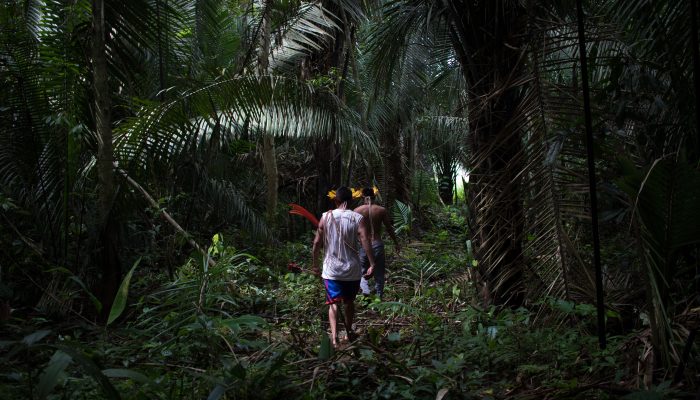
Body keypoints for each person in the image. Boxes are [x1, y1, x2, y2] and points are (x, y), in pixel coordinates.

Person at [312, 186, 376, 349]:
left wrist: (315, 265)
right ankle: (348, 332)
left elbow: (317, 243)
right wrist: (372, 263)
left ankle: (334, 338)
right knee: (349, 302)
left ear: (336, 200)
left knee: (333, 304)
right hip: (352, 271)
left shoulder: (326, 217)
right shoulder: (357, 218)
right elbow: (365, 240)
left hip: (331, 270)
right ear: (352, 200)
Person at [354, 187, 401, 300]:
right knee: (379, 272)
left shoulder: (357, 210)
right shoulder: (381, 210)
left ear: (363, 198)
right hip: (377, 244)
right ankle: (379, 297)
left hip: (363, 245)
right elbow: (389, 228)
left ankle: (365, 292)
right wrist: (396, 242)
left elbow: (353, 230)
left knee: (362, 271)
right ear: (374, 197)